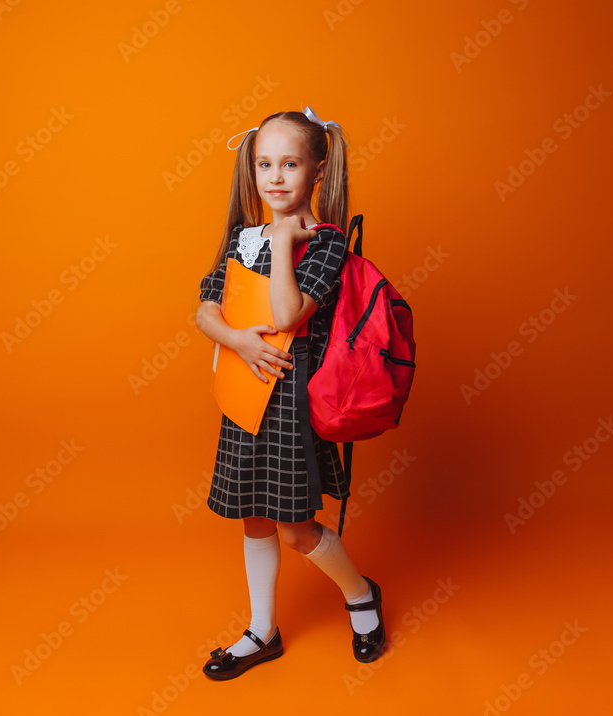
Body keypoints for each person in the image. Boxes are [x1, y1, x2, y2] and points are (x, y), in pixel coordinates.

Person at [194, 106, 386, 681]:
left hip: (291, 404)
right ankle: (263, 630)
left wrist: (282, 241)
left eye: (290, 164)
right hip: (244, 395)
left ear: (318, 169)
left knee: (298, 530)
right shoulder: (242, 237)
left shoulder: (327, 245)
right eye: (264, 164)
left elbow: (286, 313)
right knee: (252, 518)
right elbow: (204, 306)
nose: (275, 177)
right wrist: (236, 340)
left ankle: (360, 596)